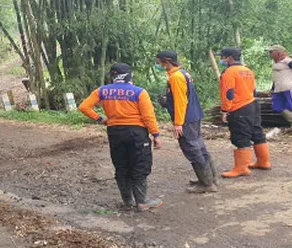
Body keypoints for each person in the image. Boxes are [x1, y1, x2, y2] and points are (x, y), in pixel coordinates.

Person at [79, 63, 164, 211]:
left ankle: (127, 202)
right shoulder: (139, 92)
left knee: (121, 166)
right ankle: (142, 202)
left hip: (115, 132)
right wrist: (155, 134)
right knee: (140, 165)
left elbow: (84, 107)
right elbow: (148, 116)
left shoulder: (102, 91)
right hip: (136, 133)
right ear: (129, 75)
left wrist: (101, 119)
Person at [155, 50, 217, 193]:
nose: (158, 64)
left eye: (159, 62)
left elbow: (181, 101)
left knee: (192, 149)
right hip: (193, 115)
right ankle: (209, 178)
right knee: (199, 147)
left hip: (186, 119)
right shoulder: (182, 73)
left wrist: (178, 123)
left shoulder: (176, 77)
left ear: (167, 61)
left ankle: (207, 184)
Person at [218, 48, 270, 177]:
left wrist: (225, 110)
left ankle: (242, 168)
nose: (221, 60)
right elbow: (254, 91)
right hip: (252, 104)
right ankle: (263, 162)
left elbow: (228, 93)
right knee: (256, 132)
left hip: (238, 107)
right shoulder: (248, 71)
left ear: (229, 58)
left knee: (240, 136)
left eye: (222, 57)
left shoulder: (229, 72)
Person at [267, 45, 292, 134]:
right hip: (278, 89)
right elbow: (276, 78)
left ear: (278, 52)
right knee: (277, 106)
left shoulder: (288, 61)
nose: (269, 54)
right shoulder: (276, 63)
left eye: (271, 52)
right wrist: (272, 88)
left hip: (289, 87)